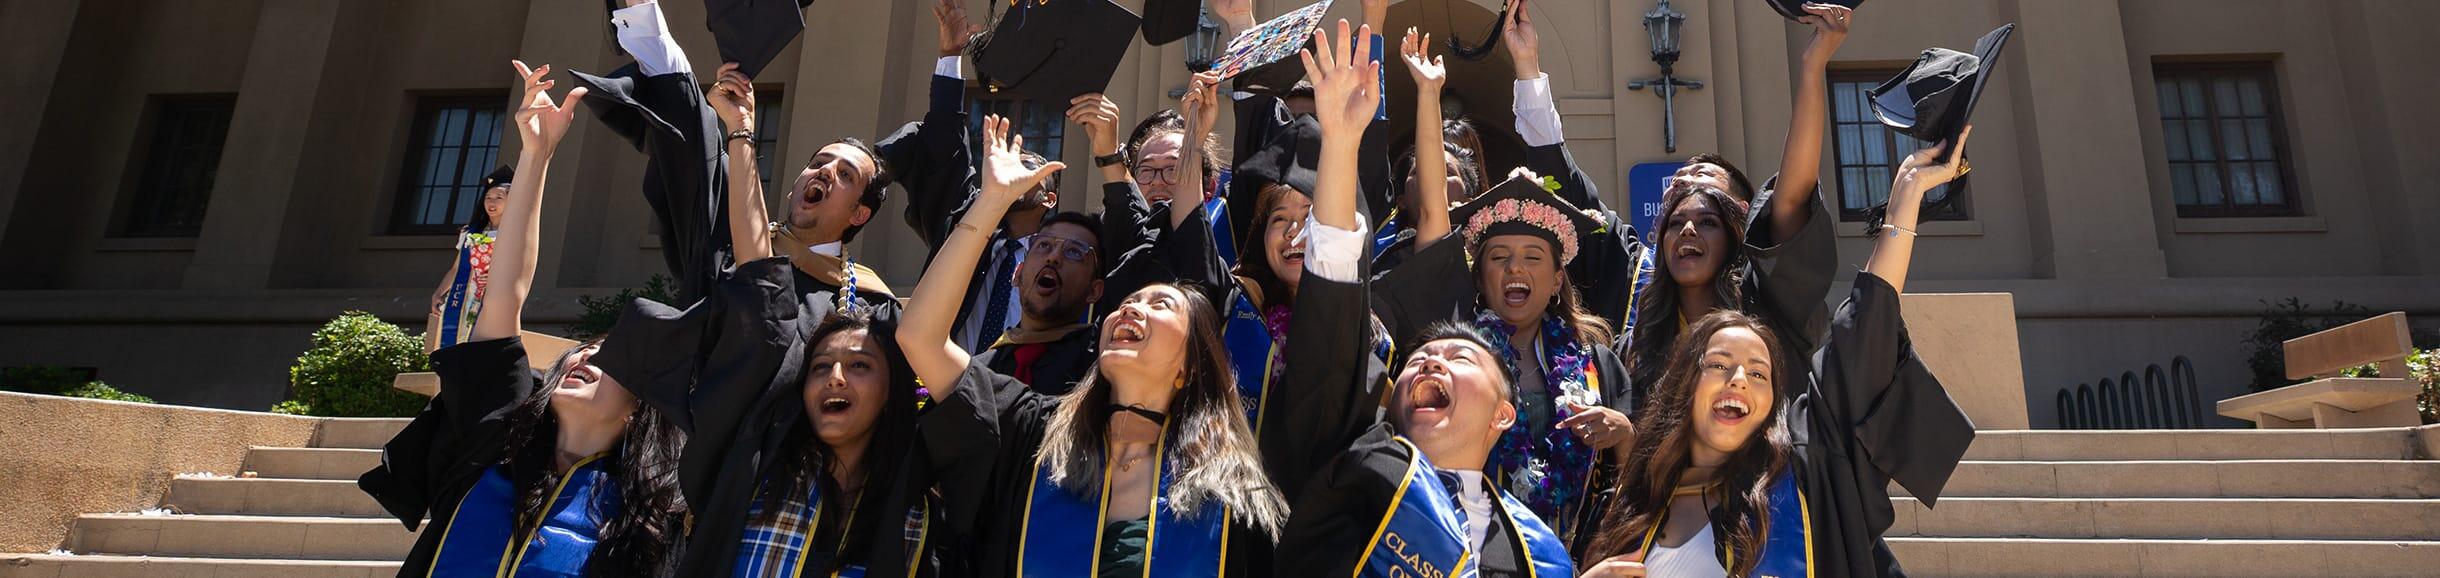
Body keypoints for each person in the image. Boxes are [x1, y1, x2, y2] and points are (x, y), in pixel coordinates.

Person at [1577, 129, 1979, 578]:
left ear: (1775, 403)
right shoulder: (1637, 511)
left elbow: (1864, 329)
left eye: (1759, 373)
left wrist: (1905, 197)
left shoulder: (1808, 478)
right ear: (1684, 385)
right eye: (1719, 366)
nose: (1738, 380)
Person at [901, 115, 1289, 577]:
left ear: (1192, 363)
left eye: (1159, 303)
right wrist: (990, 203)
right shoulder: (1035, 432)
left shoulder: (1237, 500)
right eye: (1125, 302)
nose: (1131, 309)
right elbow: (919, 338)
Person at [360, 61, 686, 577]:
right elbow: (506, 294)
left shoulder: (640, 521)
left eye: (612, 360)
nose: (586, 356)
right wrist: (536, 156)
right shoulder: (495, 440)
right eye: (584, 348)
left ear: (639, 411)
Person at [572, 0, 900, 318]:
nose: (826, 170)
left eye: (846, 174)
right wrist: (640, 6)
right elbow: (688, 122)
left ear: (859, 214)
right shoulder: (724, 243)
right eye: (817, 163)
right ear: (793, 189)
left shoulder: (869, 306)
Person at [1373, 171, 1633, 545]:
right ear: (1479, 278)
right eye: (1499, 257)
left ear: (1557, 279)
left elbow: (1640, 479)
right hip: (1467, 546)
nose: (1515, 268)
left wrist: (1623, 433)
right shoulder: (1456, 361)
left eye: (1533, 256)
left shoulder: (1599, 367)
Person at [1622, 2, 1854, 407]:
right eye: (1675, 222)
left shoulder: (1767, 303)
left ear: (1739, 221)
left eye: (1708, 219)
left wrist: (1813, 67)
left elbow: (1794, 193)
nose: (1688, 231)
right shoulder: (1641, 335)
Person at [1276, 323, 1578, 578]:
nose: (1431, 364)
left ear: (1502, 415)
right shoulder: (1352, 469)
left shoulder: (1537, 555)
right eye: (1416, 361)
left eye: (1461, 359)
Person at [426, 165, 512, 353]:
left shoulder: (513, 235)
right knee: (456, 342)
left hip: (493, 297)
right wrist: (439, 293)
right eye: (488, 197)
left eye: (499, 197)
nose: (492, 202)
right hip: (464, 294)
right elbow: (456, 269)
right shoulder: (470, 233)